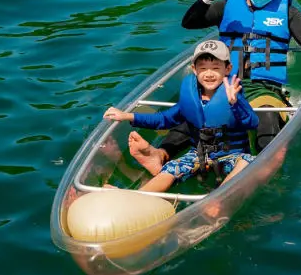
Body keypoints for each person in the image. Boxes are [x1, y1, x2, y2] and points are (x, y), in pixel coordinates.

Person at [129, 0, 301, 175]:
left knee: (267, 115)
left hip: (263, 87)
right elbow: (189, 22)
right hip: (224, 84)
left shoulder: (288, 11)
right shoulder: (227, 5)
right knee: (197, 110)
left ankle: (261, 167)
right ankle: (161, 154)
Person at [103, 40, 259, 193]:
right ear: (194, 69)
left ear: (228, 69)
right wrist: (128, 116)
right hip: (199, 155)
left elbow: (252, 122)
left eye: (216, 68)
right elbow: (164, 119)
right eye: (203, 68)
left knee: (248, 161)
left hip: (233, 155)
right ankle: (133, 196)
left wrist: (235, 103)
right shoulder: (191, 98)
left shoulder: (233, 94)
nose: (209, 73)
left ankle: (220, 197)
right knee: (170, 169)